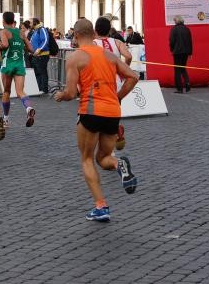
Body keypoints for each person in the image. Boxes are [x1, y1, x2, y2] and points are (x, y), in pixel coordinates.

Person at [54, 19, 139, 222]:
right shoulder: (109, 56)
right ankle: (120, 165)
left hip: (90, 111)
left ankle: (101, 206)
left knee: (87, 159)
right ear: (94, 34)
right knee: (104, 158)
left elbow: (71, 92)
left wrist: (61, 95)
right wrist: (117, 96)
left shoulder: (75, 58)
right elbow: (133, 76)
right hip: (112, 112)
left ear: (75, 36)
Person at [94, 16, 133, 151]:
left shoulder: (92, 44)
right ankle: (116, 128)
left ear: (95, 30)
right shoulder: (117, 42)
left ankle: (109, 138)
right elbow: (128, 56)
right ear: (109, 30)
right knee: (115, 107)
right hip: (116, 81)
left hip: (99, 81)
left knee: (98, 111)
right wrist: (123, 70)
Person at [0, 11, 36, 128]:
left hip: (8, 64)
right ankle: (29, 108)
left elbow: (4, 45)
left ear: (3, 21)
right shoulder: (21, 33)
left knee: (6, 92)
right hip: (20, 64)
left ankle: (6, 120)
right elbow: (31, 48)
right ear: (13, 20)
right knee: (20, 91)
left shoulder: (3, 31)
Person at [169, 17, 192, 93]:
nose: (174, 22)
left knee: (177, 70)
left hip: (177, 52)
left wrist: (172, 49)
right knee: (183, 68)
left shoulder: (174, 29)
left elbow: (171, 41)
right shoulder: (187, 29)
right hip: (185, 52)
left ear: (176, 21)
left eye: (174, 20)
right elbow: (190, 41)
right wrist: (190, 53)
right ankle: (187, 83)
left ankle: (179, 88)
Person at [30, 18, 50, 94]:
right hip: (36, 55)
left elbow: (45, 40)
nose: (30, 24)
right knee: (38, 73)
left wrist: (39, 49)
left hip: (42, 55)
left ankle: (44, 90)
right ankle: (39, 89)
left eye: (31, 23)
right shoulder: (35, 31)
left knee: (42, 72)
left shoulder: (41, 29)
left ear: (35, 23)